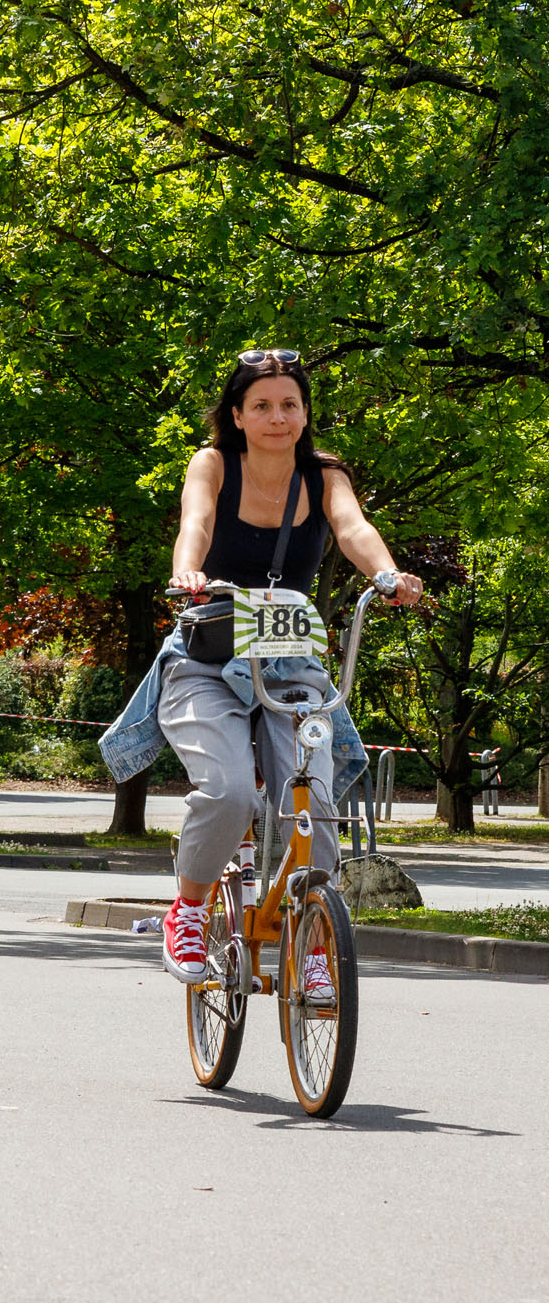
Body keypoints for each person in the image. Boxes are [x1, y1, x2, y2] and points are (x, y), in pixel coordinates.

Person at [98, 348, 423, 989]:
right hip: (208, 660)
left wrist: (384, 573)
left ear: (305, 413)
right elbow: (194, 522)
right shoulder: (214, 463)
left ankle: (311, 938)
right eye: (263, 406)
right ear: (238, 416)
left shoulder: (323, 474)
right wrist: (186, 572)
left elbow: (353, 527)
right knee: (228, 792)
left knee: (316, 807)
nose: (278, 417)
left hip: (289, 664)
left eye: (290, 405)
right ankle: (188, 910)